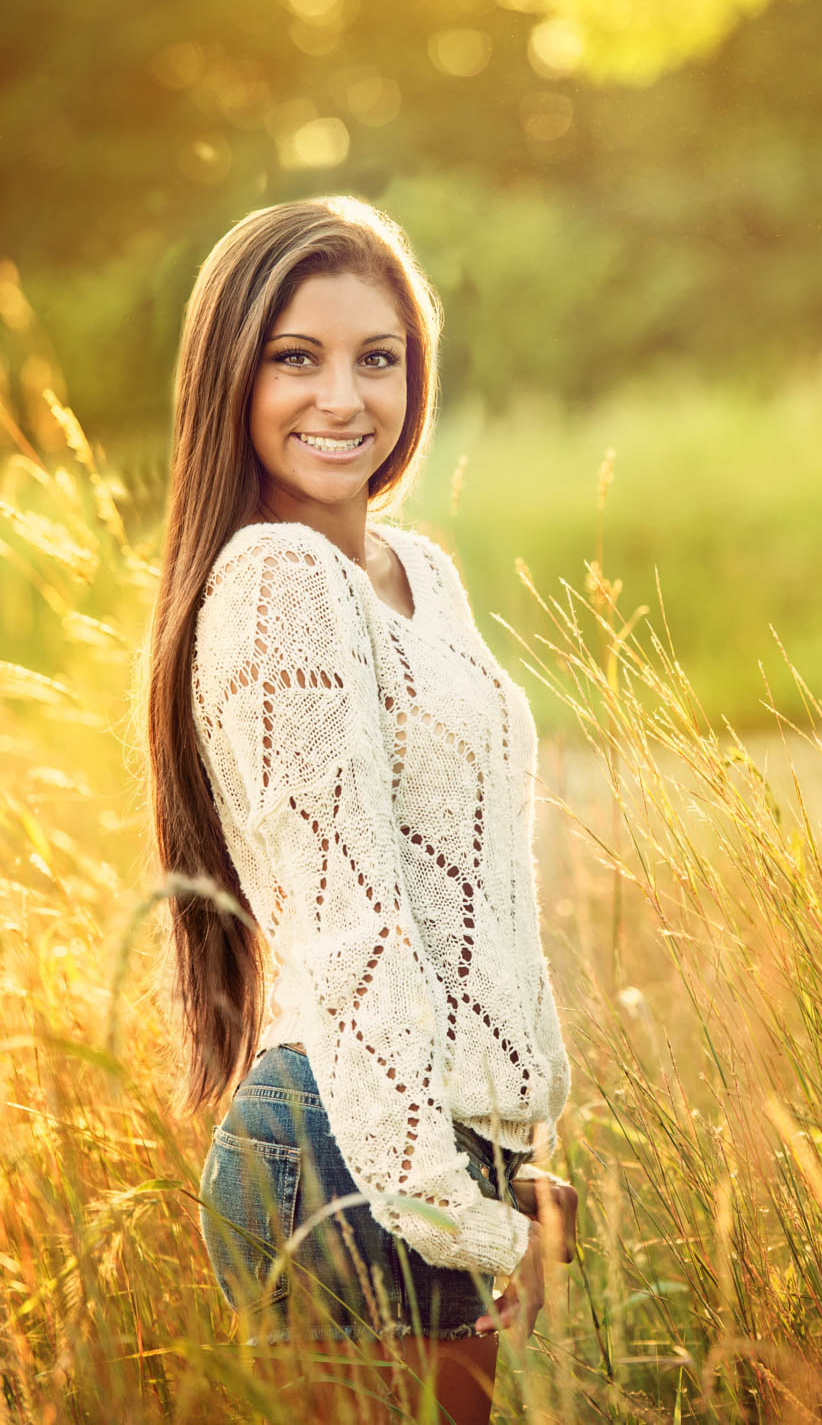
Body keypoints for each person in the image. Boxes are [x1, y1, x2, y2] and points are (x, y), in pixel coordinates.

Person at [145, 195, 577, 1422]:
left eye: (375, 359)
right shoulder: (276, 581)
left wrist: (514, 1151)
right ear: (231, 376)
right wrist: (461, 1211)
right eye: (296, 358)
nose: (342, 399)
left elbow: (476, 901)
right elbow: (354, 928)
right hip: (344, 1154)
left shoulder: (414, 572)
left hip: (428, 1141)